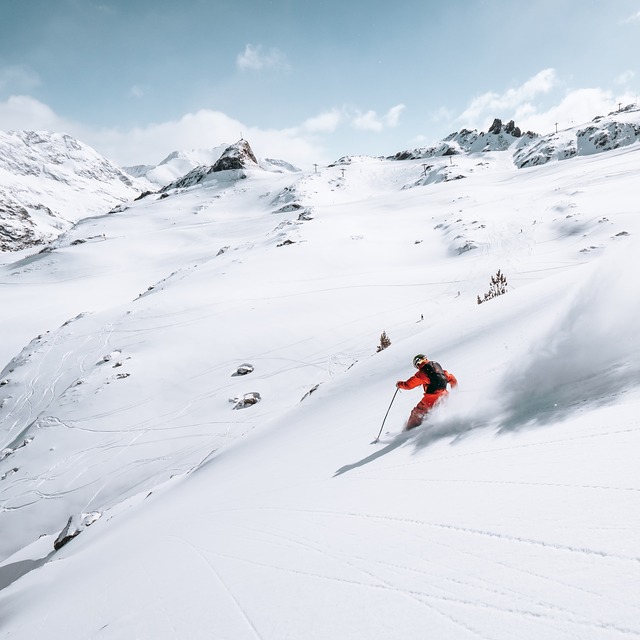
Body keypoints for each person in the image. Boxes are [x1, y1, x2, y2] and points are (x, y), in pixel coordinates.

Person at [396, 354, 457, 430]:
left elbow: (408, 385)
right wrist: (455, 392)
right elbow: (452, 379)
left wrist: (399, 384)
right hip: (445, 395)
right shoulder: (438, 369)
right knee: (439, 411)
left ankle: (408, 432)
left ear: (418, 363)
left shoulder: (422, 373)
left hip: (431, 398)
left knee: (417, 413)